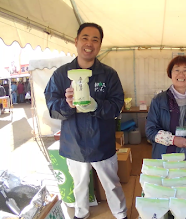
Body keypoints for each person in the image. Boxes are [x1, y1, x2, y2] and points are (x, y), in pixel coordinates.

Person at [44, 23, 127, 219]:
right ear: (76, 41)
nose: (89, 43)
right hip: (74, 142)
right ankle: (81, 213)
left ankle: (120, 213)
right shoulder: (61, 74)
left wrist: (96, 105)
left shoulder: (108, 75)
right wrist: (68, 104)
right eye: (85, 38)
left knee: (111, 183)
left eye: (95, 39)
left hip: (102, 142)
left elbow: (117, 105)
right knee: (79, 184)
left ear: (99, 45)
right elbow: (52, 107)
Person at [145, 56, 186, 160]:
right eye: (177, 70)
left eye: (185, 70)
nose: (181, 74)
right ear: (170, 74)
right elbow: (150, 131)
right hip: (166, 155)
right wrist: (173, 140)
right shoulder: (159, 100)